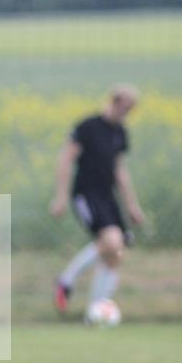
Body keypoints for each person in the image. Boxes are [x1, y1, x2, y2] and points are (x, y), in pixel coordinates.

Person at [49, 84, 145, 317]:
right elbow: (65, 160)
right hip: (86, 193)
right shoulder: (88, 127)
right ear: (114, 101)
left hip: (107, 195)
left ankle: (97, 310)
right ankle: (66, 281)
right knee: (112, 241)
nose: (127, 112)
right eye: (124, 106)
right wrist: (60, 197)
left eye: (131, 109)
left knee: (116, 253)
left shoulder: (120, 133)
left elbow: (120, 170)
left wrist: (132, 205)